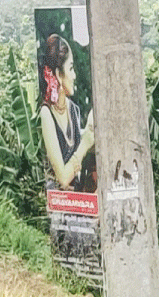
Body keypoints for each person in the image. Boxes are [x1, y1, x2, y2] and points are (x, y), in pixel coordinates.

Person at [39, 34, 95, 191]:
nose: (74, 76)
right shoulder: (46, 114)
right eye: (70, 68)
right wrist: (86, 142)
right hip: (56, 202)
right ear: (58, 74)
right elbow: (63, 179)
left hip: (76, 198)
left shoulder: (73, 110)